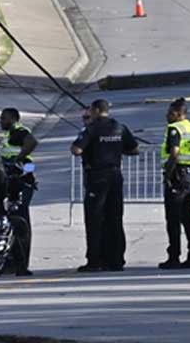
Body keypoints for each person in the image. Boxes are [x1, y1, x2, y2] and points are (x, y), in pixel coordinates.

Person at [71, 99, 138, 273]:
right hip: (115, 175)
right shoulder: (120, 127)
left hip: (97, 177)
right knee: (115, 218)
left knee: (94, 219)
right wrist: (115, 149)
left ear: (95, 110)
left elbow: (76, 149)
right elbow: (134, 149)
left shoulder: (91, 128)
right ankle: (116, 260)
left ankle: (95, 261)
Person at [159, 99, 190, 270]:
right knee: (188, 218)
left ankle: (174, 257)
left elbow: (174, 154)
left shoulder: (175, 129)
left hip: (177, 176)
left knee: (173, 218)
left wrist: (168, 175)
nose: (167, 115)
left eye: (170, 113)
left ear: (179, 114)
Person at [0, 108, 38, 277]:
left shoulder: (18, 131)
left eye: (4, 118)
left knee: (20, 221)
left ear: (13, 119)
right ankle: (11, 262)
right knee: (11, 221)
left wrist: (18, 159)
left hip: (21, 182)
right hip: (15, 180)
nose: (1, 121)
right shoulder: (10, 134)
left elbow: (32, 141)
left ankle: (20, 263)